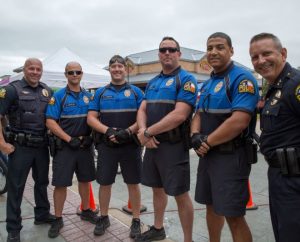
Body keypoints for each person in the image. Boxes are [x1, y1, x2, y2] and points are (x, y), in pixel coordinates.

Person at [190, 32, 259, 242]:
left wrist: (206, 142)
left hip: (231, 158)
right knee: (211, 207)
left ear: (231, 50)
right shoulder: (208, 82)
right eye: (210, 48)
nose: (213, 52)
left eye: (220, 47)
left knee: (234, 216)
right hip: (208, 156)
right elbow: (198, 113)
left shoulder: (242, 78)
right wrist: (194, 135)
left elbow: (239, 121)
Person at [136, 36, 197, 242]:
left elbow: (180, 115)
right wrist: (144, 131)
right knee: (157, 189)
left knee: (180, 194)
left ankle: (188, 239)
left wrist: (147, 133)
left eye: (172, 49)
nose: (167, 53)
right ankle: (158, 228)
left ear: (179, 53)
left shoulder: (186, 80)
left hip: (173, 146)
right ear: (159, 54)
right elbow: (142, 108)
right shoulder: (153, 82)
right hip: (152, 145)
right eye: (163, 50)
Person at [249, 33, 300, 242]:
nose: (261, 61)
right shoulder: (275, 88)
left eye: (267, 53)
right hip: (280, 176)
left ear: (283, 53)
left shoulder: (295, 85)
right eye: (255, 57)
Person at [87, 55, 144, 238]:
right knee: (105, 183)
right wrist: (108, 130)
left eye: (121, 66)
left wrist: (128, 131)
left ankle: (136, 220)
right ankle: (104, 217)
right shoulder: (100, 93)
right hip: (107, 146)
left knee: (133, 183)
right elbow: (91, 118)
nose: (117, 69)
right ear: (109, 70)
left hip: (130, 145)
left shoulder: (136, 92)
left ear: (126, 70)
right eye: (114, 67)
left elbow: (143, 117)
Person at [0, 58, 55, 242]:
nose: (35, 72)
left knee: (42, 183)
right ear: (24, 70)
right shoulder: (10, 90)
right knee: (16, 188)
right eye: (31, 68)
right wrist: (2, 144)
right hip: (20, 147)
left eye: (38, 69)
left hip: (41, 147)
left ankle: (42, 215)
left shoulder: (47, 90)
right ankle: (13, 229)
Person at [45, 62, 97, 238]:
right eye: (71, 72)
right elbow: (50, 121)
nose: (75, 74)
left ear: (82, 74)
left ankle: (87, 210)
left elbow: (95, 118)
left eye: (78, 72)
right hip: (65, 147)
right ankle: (58, 218)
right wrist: (68, 139)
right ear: (66, 74)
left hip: (84, 147)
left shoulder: (88, 96)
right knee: (61, 184)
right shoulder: (58, 96)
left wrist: (92, 136)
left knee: (85, 180)